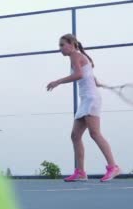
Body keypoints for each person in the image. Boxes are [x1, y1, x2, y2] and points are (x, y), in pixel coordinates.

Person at [47, 34, 120, 182]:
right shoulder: (77, 57)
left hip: (91, 99)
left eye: (62, 45)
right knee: (75, 136)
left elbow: (79, 74)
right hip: (86, 100)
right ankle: (80, 172)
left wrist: (58, 81)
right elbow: (87, 74)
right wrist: (95, 81)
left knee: (95, 133)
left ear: (72, 44)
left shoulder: (75, 56)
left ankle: (113, 167)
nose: (60, 48)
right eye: (59, 45)